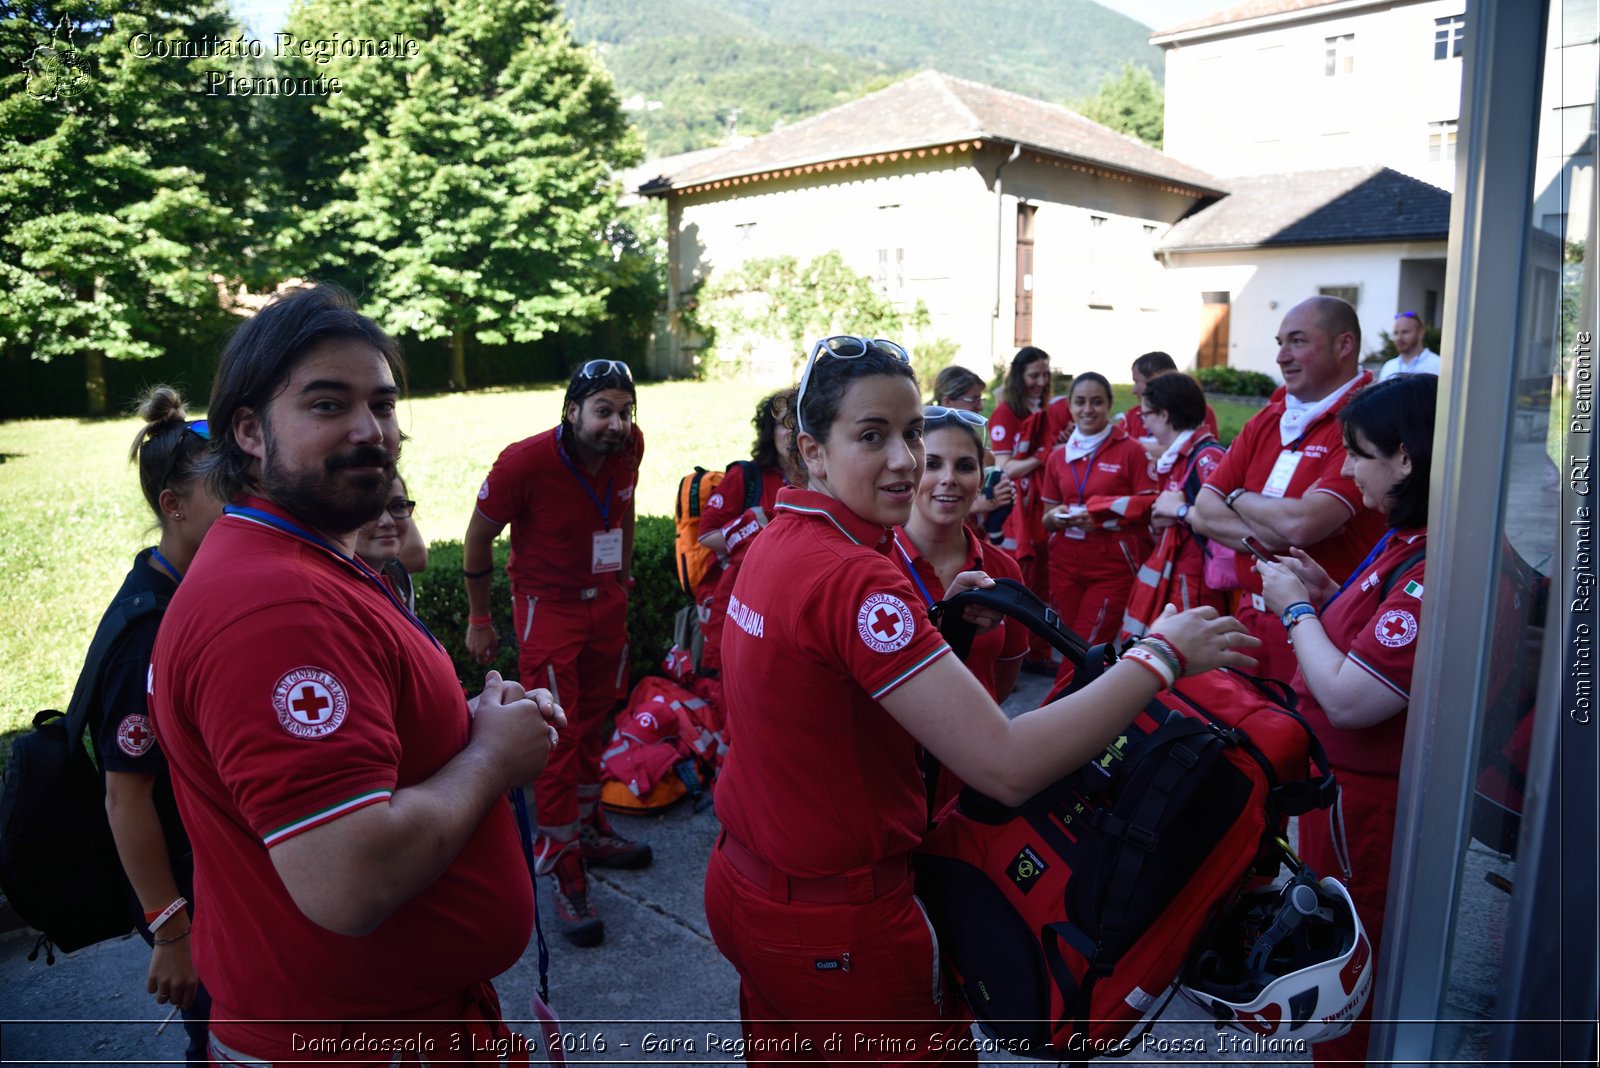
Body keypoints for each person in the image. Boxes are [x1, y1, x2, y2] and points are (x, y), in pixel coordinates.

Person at [704, 334, 1259, 1062]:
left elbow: (832, 696)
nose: (905, 461)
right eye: (872, 436)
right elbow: (1003, 764)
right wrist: (1160, 657)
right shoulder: (858, 577)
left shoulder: (783, 534)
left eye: (910, 433)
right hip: (835, 926)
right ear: (813, 451)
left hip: (749, 888)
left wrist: (942, 633)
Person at [149, 284, 561, 1063]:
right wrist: (491, 758)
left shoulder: (306, 558)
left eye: (383, 404)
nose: (370, 430)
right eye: (328, 405)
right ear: (250, 432)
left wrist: (468, 723)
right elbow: (350, 876)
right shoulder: (275, 607)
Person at [1254, 373, 1437, 1065]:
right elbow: (1372, 637)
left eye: (1358, 453)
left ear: (1405, 458)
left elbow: (1354, 699)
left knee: (1352, 966)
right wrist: (1330, 596)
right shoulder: (1408, 540)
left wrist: (1296, 609)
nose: (1349, 469)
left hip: (1370, 811)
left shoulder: (1429, 564)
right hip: (1351, 800)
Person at [464, 358, 649, 947]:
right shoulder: (526, 462)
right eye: (603, 411)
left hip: (606, 603)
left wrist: (622, 572)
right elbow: (476, 535)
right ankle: (560, 860)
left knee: (596, 720)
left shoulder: (629, 449)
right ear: (572, 412)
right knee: (556, 731)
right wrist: (478, 618)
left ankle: (589, 827)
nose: (616, 424)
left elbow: (625, 507)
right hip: (550, 607)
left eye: (624, 411)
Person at [93, 386, 224, 1068]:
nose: (245, 507)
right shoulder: (149, 628)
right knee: (222, 1038)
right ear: (173, 507)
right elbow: (126, 796)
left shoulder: (182, 590)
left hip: (213, 873)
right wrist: (172, 931)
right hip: (185, 892)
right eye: (226, 494)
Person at [1189, 295, 1389, 683]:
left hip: (1323, 625)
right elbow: (1202, 510)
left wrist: (1236, 498)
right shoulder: (1270, 416)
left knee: (1303, 740)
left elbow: (1301, 527)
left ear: (1343, 345)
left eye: (1297, 341)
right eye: (1280, 343)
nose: (1281, 357)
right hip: (1250, 620)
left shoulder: (1363, 421)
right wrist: (1281, 524)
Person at [1039, 372, 1157, 648]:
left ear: (1109, 404)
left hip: (1111, 567)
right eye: (1080, 402)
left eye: (1096, 402)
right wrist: (1056, 518)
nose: (1088, 410)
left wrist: (1101, 519)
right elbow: (1046, 518)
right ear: (1069, 406)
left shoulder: (1132, 451)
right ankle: (1081, 691)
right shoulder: (1058, 456)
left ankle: (1064, 694)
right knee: (1067, 642)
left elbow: (1152, 506)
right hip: (1064, 564)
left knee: (1085, 647)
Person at [696, 389, 794, 678]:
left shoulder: (822, 477)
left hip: (787, 606)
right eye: (782, 423)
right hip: (742, 605)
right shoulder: (746, 477)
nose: (790, 432)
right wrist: (753, 530)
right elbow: (706, 536)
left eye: (797, 422)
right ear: (769, 431)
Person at [988, 346, 1056, 671]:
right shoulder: (1006, 413)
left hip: (1042, 507)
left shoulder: (1044, 409)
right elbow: (1005, 469)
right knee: (1021, 582)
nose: (1041, 382)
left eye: (1045, 375)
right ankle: (1015, 654)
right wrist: (1043, 456)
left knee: (1042, 584)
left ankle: (1038, 654)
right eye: (1034, 375)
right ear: (1019, 376)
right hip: (1017, 514)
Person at [1143, 371, 1229, 614]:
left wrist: (1180, 511)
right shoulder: (1180, 456)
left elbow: (1225, 520)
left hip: (1199, 579)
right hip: (1182, 574)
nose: (1144, 424)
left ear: (1163, 414)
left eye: (1145, 415)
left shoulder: (1206, 457)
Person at [928, 364, 1014, 534]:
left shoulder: (983, 452)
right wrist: (979, 504)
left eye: (966, 467)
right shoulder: (920, 445)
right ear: (947, 402)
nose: (980, 406)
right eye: (973, 399)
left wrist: (1000, 491)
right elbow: (917, 505)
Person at [1120, 351, 1219, 461]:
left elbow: (1183, 448)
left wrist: (1133, 446)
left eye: (1136, 382)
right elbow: (1114, 445)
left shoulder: (1197, 410)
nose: (1133, 390)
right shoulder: (1134, 414)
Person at [353, 473, 425, 612]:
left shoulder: (399, 577)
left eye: (398, 506)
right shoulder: (332, 596)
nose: (388, 521)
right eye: (371, 508)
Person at [1377, 311, 1441, 380]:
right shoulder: (1389, 367)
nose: (1399, 338)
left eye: (1405, 332)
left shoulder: (1437, 365)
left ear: (1420, 333)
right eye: (1396, 333)